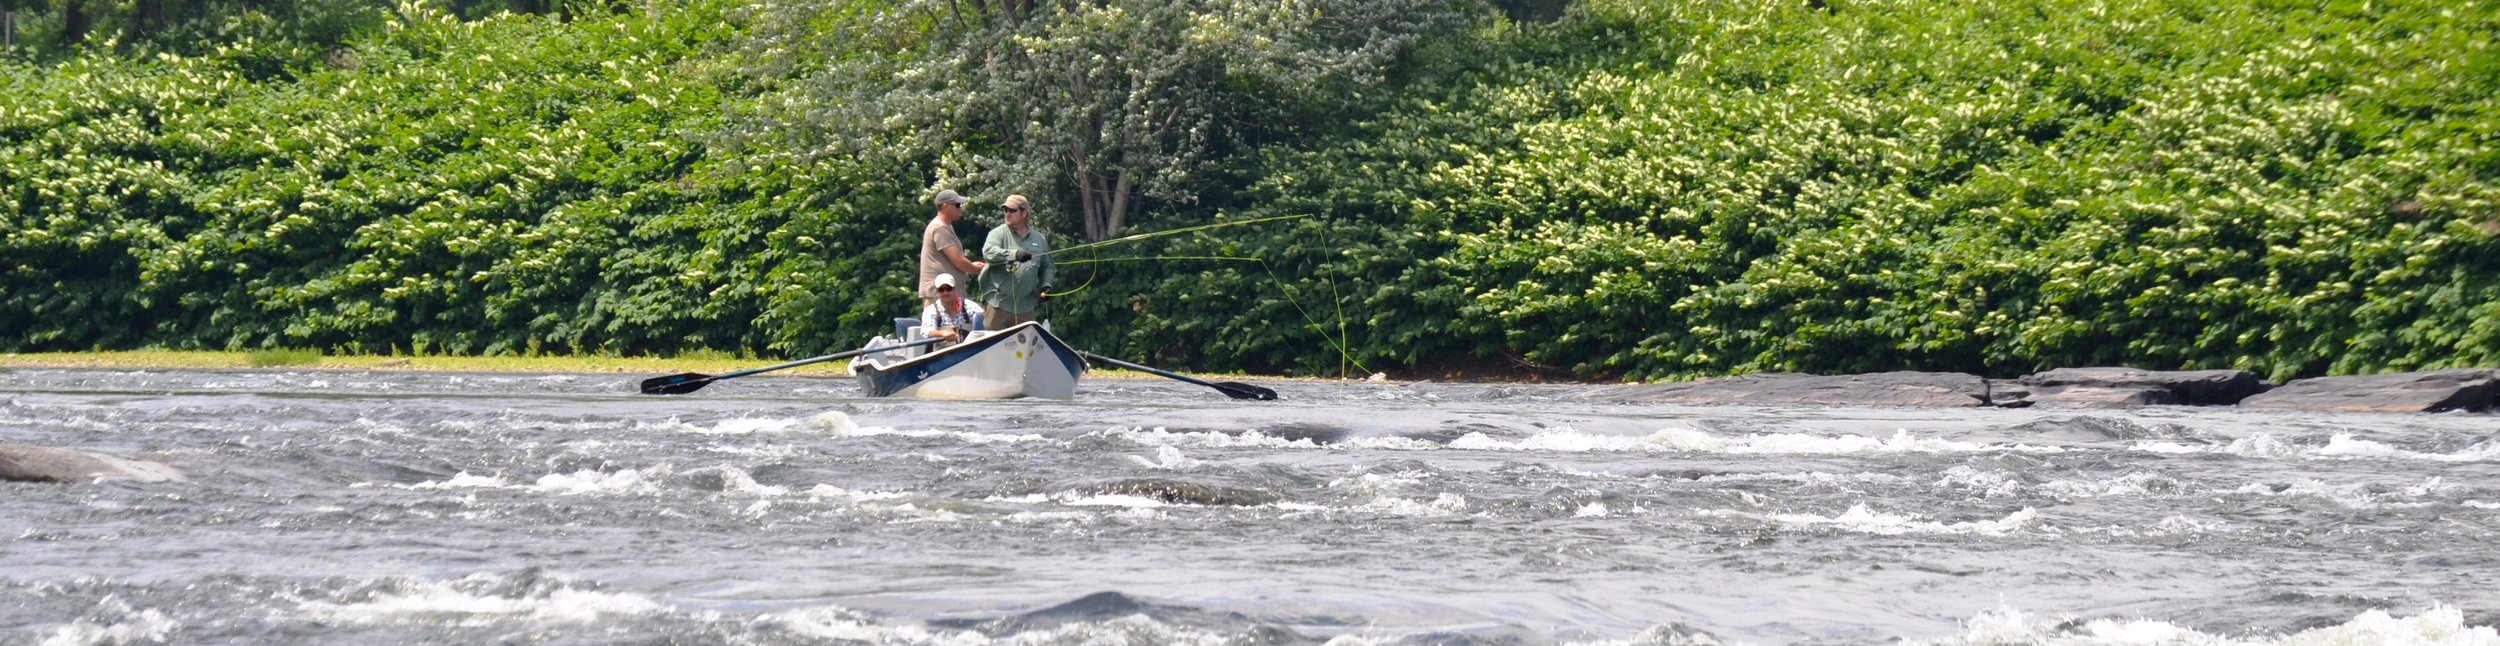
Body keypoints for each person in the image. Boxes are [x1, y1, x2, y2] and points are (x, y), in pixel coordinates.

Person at [977, 194, 1053, 329]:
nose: (1007, 214)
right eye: (1005, 210)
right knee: (994, 347)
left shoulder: (1039, 238)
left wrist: (1046, 285)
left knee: (1026, 348)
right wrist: (1014, 254)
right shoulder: (998, 233)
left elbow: (1047, 266)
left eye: (1012, 210)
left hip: (1026, 307)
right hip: (998, 305)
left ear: (1024, 213)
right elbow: (988, 252)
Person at [918, 189, 987, 307]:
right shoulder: (940, 227)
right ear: (945, 206)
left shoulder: (946, 226)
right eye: (957, 205)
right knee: (943, 326)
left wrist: (972, 265)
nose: (960, 208)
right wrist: (976, 269)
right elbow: (958, 261)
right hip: (940, 295)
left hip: (947, 295)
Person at [920, 273, 984, 348]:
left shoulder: (970, 306)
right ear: (937, 292)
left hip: (970, 352)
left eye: (949, 288)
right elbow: (926, 332)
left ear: (954, 289)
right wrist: (942, 333)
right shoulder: (931, 311)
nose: (946, 292)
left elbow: (984, 320)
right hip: (942, 355)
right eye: (941, 290)